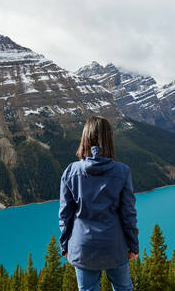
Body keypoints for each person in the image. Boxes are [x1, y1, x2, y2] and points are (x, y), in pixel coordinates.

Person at [59, 116, 139, 291]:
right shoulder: (122, 171)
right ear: (109, 139)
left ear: (84, 139)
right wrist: (133, 245)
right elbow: (128, 214)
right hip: (115, 246)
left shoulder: (71, 171)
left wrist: (65, 245)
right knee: (123, 288)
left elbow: (65, 215)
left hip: (83, 246)